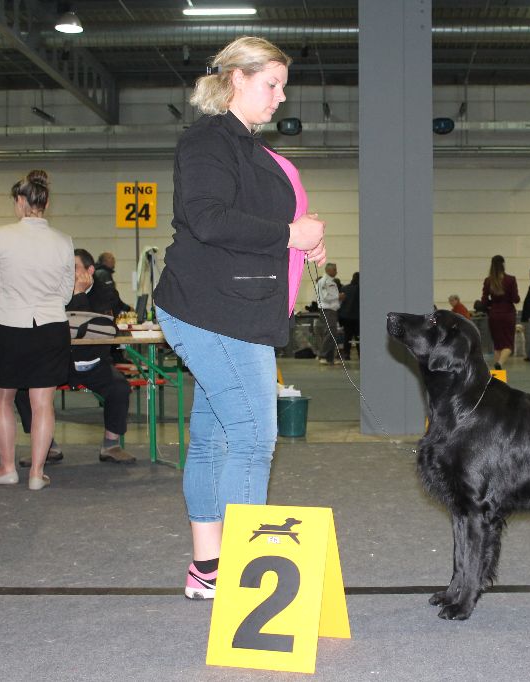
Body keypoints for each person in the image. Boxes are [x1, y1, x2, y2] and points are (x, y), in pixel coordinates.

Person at [153, 36, 326, 601]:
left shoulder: (248, 148)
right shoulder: (208, 139)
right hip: (217, 310)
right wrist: (288, 234)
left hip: (230, 306)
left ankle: (208, 570)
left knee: (211, 439)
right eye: (271, 84)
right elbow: (206, 218)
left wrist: (302, 243)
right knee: (253, 438)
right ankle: (249, 587)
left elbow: (254, 221)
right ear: (236, 79)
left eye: (282, 86)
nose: (280, 98)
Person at [0, 169, 74, 490]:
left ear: (20, 201)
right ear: (45, 202)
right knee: (41, 402)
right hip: (51, 327)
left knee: (2, 398)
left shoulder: (1, 234)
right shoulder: (63, 240)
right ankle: (36, 474)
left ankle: (7, 467)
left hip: (13, 325)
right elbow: (66, 293)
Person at [13, 248, 136, 467]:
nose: (67, 274)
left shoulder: (105, 293)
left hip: (94, 362)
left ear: (90, 270)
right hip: (58, 362)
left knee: (120, 388)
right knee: (24, 392)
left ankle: (111, 444)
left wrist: (78, 294)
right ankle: (46, 446)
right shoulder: (53, 293)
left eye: (74, 268)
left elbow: (90, 326)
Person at [480, 255, 519, 370]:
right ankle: (499, 364)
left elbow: (484, 301)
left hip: (494, 315)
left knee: (498, 345)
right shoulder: (511, 280)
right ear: (503, 264)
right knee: (508, 345)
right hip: (508, 314)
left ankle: (496, 376)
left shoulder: (488, 281)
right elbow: (515, 299)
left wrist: (490, 305)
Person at [315, 262, 342, 365]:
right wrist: (338, 297)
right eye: (334, 269)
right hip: (327, 310)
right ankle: (322, 355)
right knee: (330, 333)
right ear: (328, 270)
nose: (336, 271)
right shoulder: (324, 281)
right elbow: (324, 297)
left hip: (332, 310)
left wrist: (338, 298)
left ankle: (330, 358)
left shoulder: (331, 281)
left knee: (333, 334)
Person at [93, 252, 132, 316]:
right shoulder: (103, 274)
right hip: (105, 314)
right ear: (105, 261)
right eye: (111, 258)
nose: (114, 260)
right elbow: (112, 296)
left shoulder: (98, 272)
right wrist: (126, 309)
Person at [338, 271, 360, 361]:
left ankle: (346, 354)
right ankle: (360, 354)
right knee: (358, 337)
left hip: (346, 317)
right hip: (358, 317)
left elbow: (340, 303)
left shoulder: (344, 288)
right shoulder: (361, 288)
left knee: (347, 336)